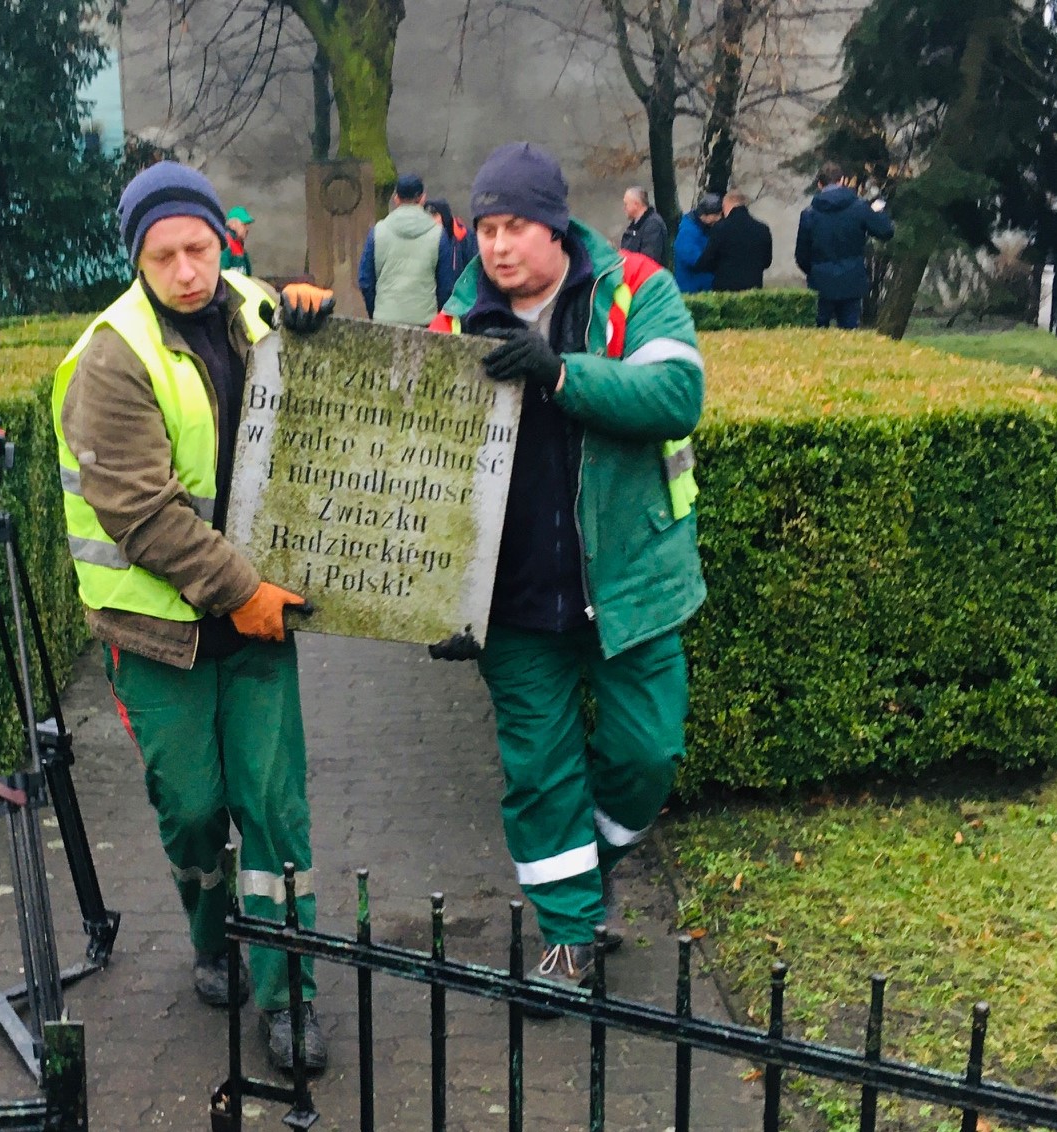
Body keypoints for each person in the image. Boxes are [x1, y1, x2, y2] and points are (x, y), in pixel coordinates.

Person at [52, 161, 336, 1072]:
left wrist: (327, 323)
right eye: (165, 254)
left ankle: (292, 993)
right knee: (191, 809)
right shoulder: (111, 356)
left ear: (223, 242)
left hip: (256, 630)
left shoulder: (254, 307)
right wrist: (242, 590)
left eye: (201, 248)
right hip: (159, 634)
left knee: (272, 811)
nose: (187, 271)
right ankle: (212, 936)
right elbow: (137, 514)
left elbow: (354, 398)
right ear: (137, 258)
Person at [429, 142, 705, 995]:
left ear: (555, 227)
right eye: (484, 229)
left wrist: (559, 373)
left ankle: (584, 873)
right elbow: (412, 457)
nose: (497, 246)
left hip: (629, 584)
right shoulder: (458, 317)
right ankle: (568, 937)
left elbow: (674, 397)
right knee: (539, 772)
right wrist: (435, 602)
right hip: (514, 603)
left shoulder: (636, 287)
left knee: (647, 752)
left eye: (514, 227)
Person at [794, 161, 894, 329]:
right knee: (849, 330)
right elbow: (886, 232)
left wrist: (816, 271)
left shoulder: (809, 214)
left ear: (819, 184)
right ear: (842, 181)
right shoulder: (859, 208)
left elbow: (801, 255)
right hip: (851, 279)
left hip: (821, 281)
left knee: (819, 332)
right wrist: (879, 211)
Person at [357, 173, 455, 326]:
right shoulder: (438, 235)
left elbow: (365, 281)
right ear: (422, 198)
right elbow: (446, 286)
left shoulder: (377, 232)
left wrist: (376, 311)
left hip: (385, 319)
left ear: (396, 198)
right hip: (425, 320)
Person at [696, 190, 773, 291]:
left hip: (726, 289)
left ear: (726, 205)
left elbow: (706, 261)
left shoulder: (720, 228)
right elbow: (767, 262)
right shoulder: (762, 229)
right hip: (753, 289)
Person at [672, 193, 723, 294]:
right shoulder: (687, 232)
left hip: (702, 286)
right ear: (704, 215)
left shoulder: (703, 228)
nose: (719, 218)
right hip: (692, 288)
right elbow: (695, 261)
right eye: (717, 215)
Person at [425, 197, 479, 277]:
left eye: (435, 216)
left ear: (444, 215)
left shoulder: (466, 237)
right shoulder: (425, 237)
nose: (431, 220)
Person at [619, 186, 668, 264]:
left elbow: (648, 261)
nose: (624, 208)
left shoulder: (653, 225)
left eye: (626, 204)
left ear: (636, 205)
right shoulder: (636, 225)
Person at [221, 205, 254, 275]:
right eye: (244, 225)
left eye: (248, 225)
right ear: (233, 224)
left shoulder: (239, 245)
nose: (247, 229)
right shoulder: (225, 244)